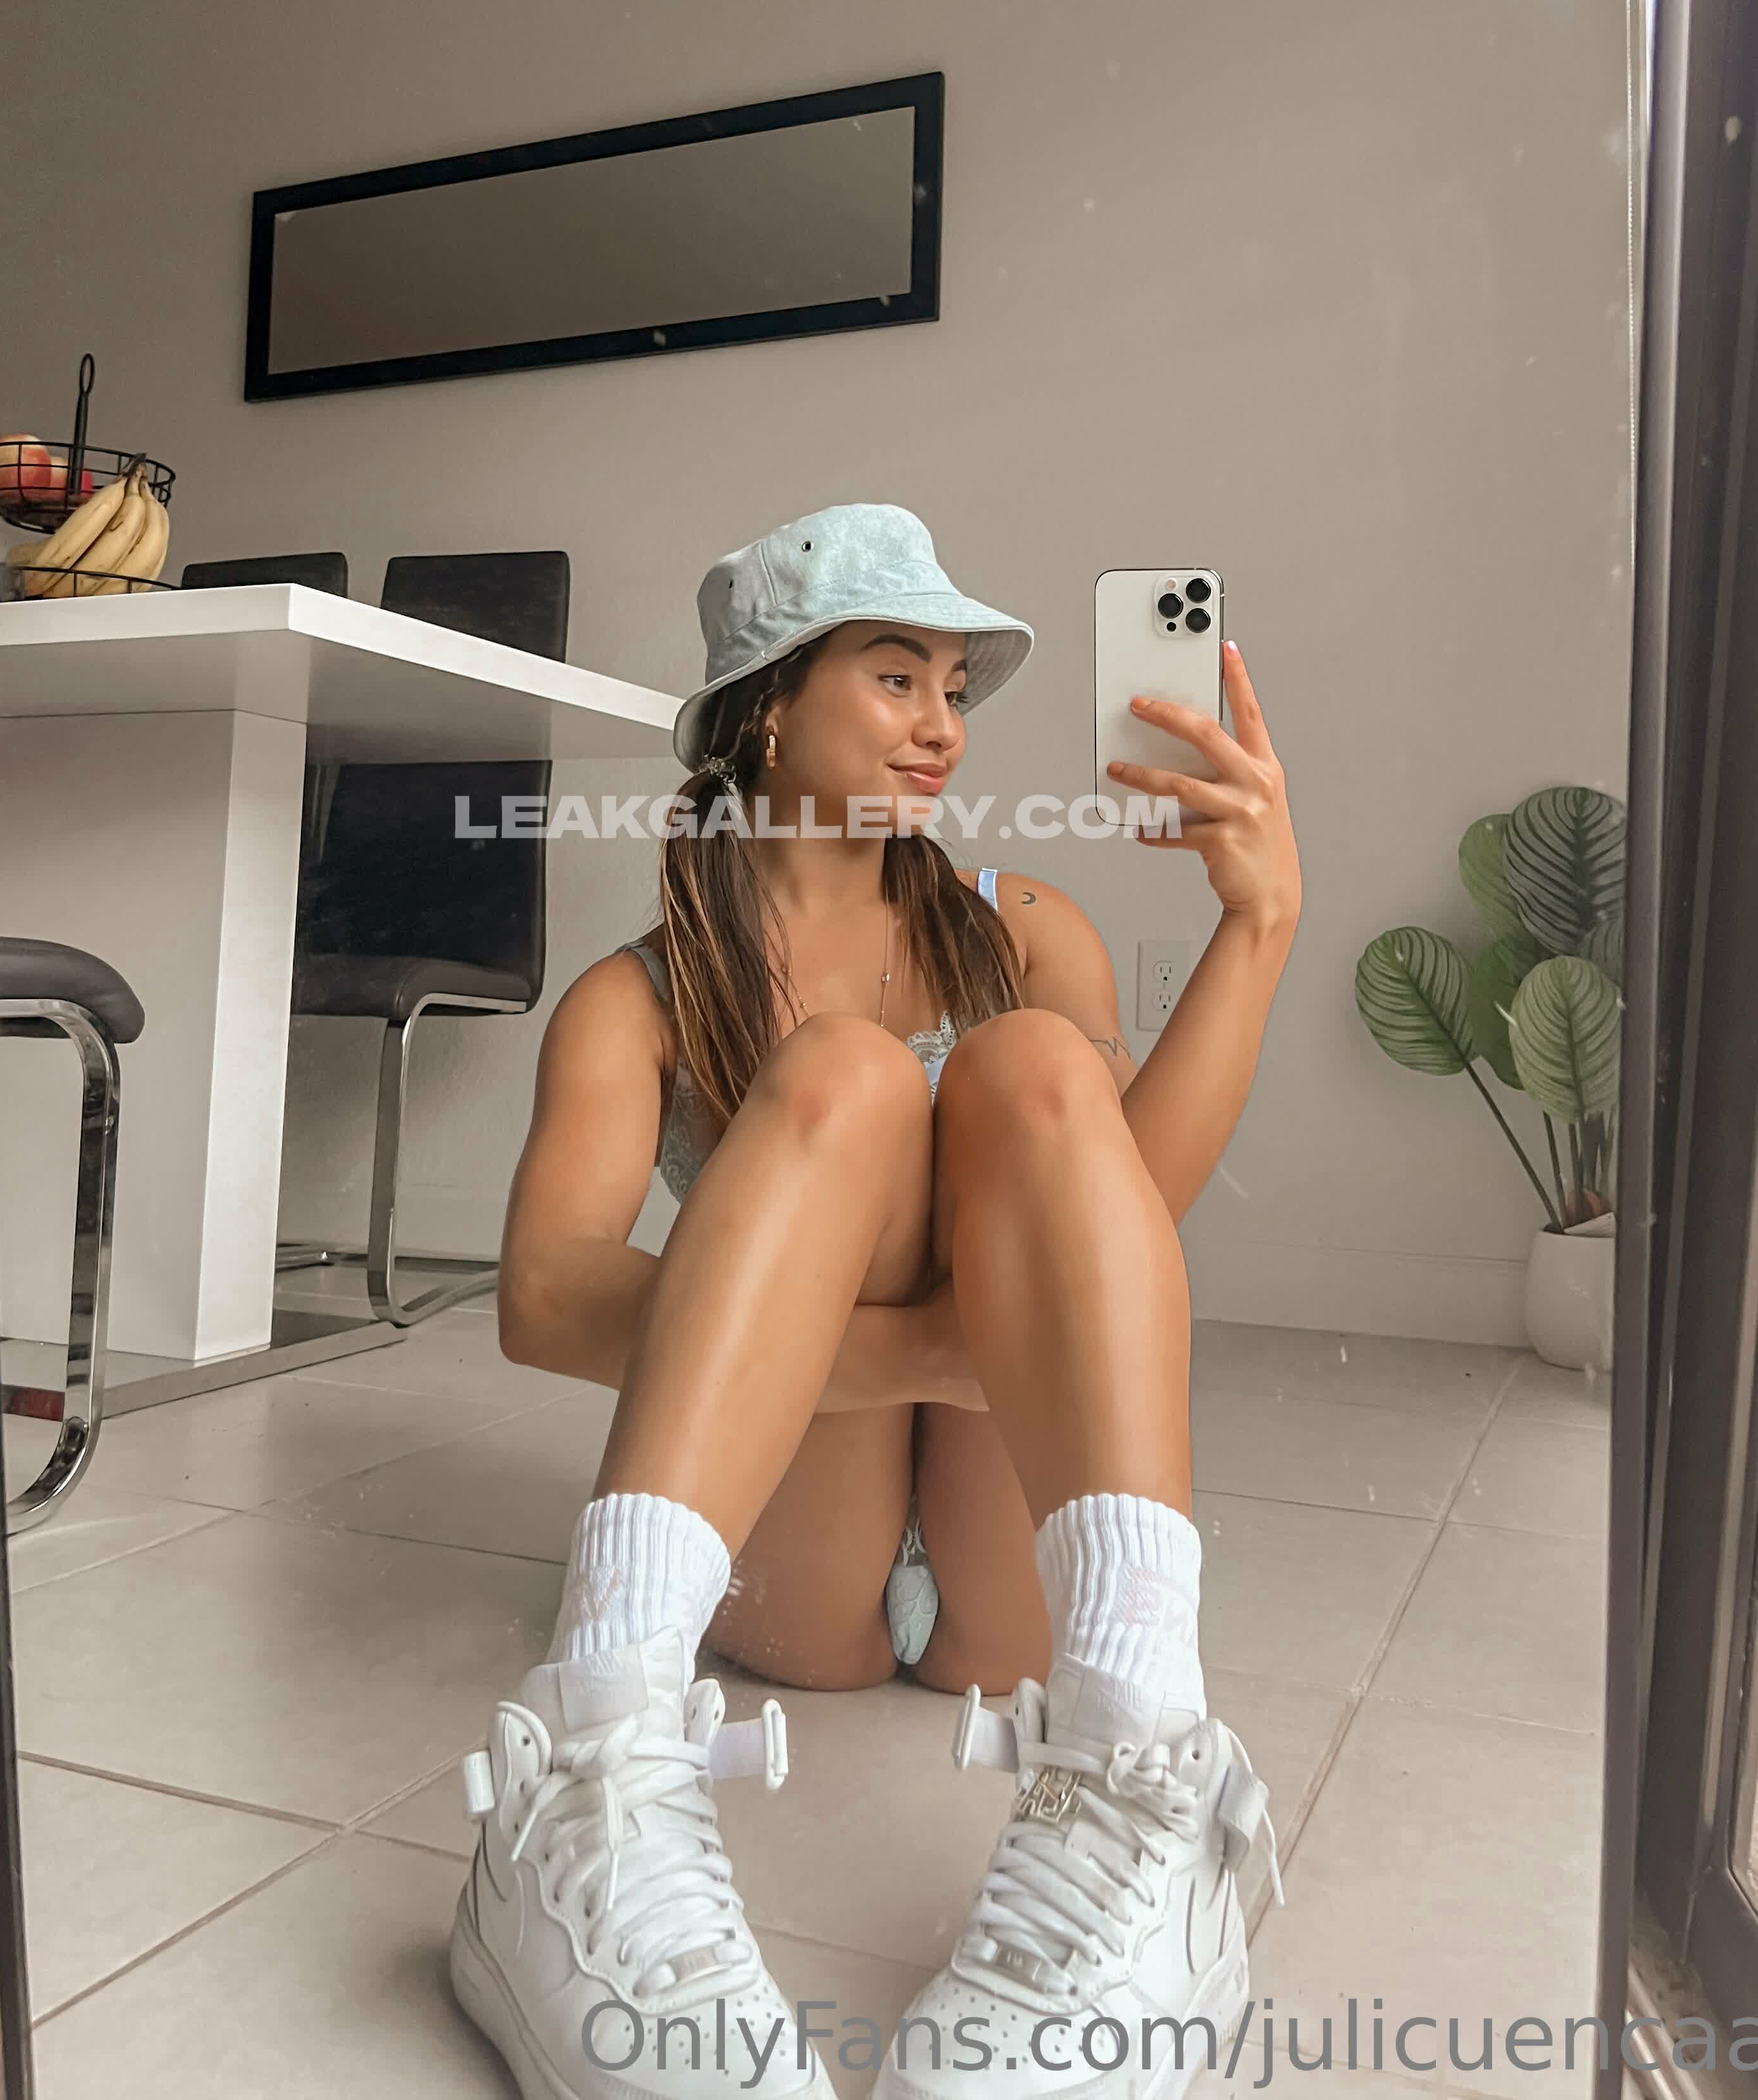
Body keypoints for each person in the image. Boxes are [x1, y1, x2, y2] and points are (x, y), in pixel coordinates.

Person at [450, 502, 1304, 2100]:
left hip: (1009, 1565)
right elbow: (546, 1300)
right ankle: (590, 1758)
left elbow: (1121, 1219)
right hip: (803, 1558)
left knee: (1036, 1069)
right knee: (839, 1077)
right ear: (768, 706)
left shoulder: (1023, 931)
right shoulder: (636, 998)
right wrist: (922, 1348)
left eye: (956, 690)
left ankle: (1139, 1769)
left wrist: (1257, 928)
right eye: (897, 675)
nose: (943, 726)